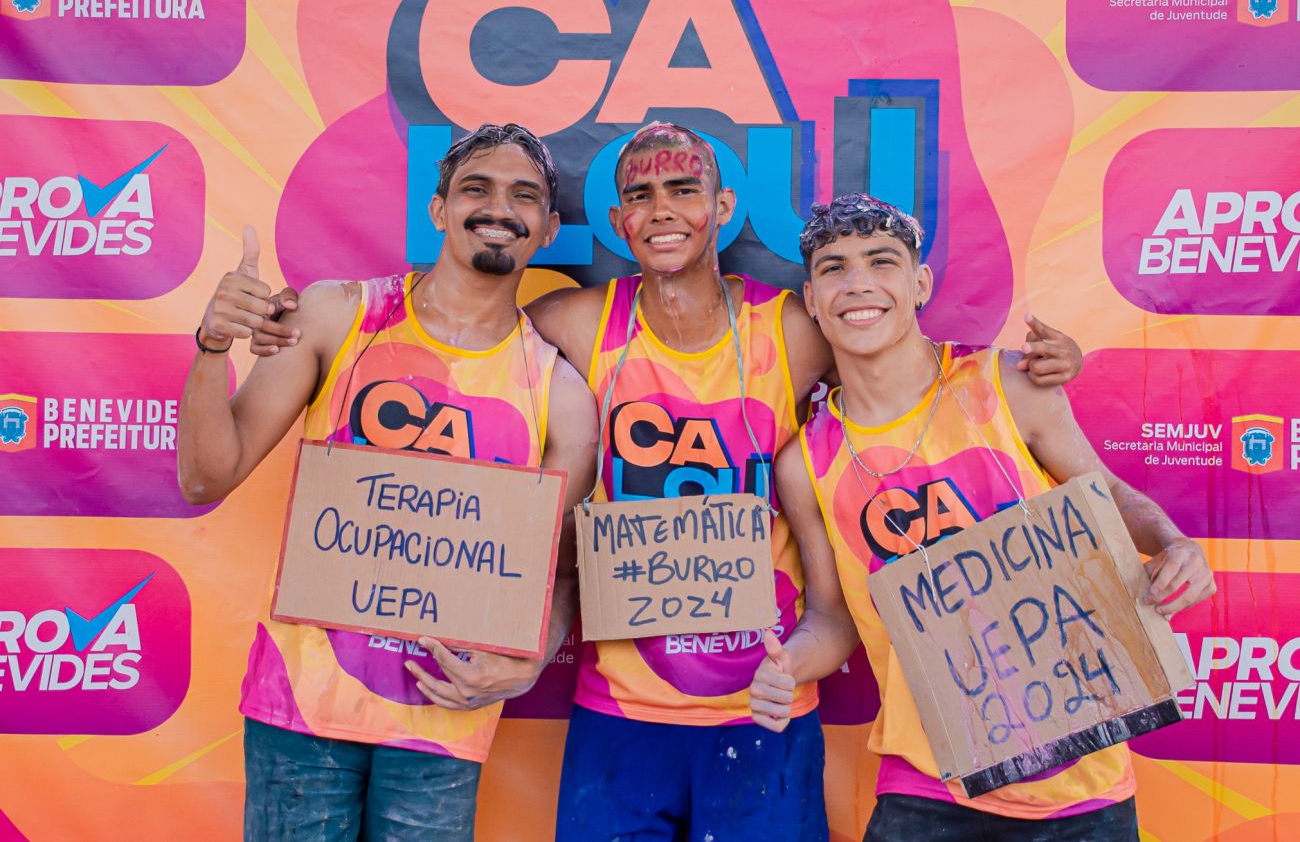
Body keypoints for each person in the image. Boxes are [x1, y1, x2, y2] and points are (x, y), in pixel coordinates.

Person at [251, 123, 1084, 840]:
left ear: (723, 208)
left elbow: (902, 359)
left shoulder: (794, 326)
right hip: (621, 713)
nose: (662, 210)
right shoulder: (577, 326)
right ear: (618, 221)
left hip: (763, 706)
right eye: (641, 196)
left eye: (684, 189)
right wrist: (287, 327)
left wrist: (1034, 372)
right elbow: (468, 339)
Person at [750, 193, 1215, 840]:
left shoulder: (1006, 387)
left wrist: (1173, 542)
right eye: (834, 268)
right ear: (811, 298)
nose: (857, 283)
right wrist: (788, 667)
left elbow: (1107, 493)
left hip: (1082, 783)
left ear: (920, 285)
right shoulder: (805, 463)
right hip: (928, 784)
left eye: (881, 261)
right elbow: (832, 618)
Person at [177, 123, 597, 840]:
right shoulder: (337, 315)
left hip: (443, 717)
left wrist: (531, 661)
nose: (499, 207)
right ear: (438, 209)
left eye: (523, 196)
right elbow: (203, 478)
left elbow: (560, 567)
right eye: (476, 188)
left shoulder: (559, 394)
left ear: (549, 229)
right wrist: (213, 345)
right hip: (301, 711)